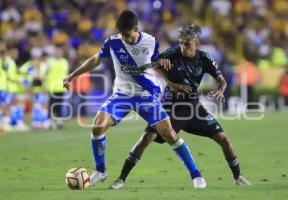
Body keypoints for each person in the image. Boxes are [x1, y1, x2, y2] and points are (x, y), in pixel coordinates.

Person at [63, 10, 206, 189]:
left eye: (128, 34)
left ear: (136, 29)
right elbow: (95, 60)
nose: (126, 38)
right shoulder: (113, 42)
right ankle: (100, 171)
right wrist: (72, 75)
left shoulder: (151, 41)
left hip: (146, 94)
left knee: (169, 133)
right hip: (122, 94)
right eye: (122, 34)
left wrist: (162, 64)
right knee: (98, 125)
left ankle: (196, 174)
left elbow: (155, 62)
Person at [109, 24, 251, 190]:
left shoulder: (205, 58)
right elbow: (154, 65)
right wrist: (171, 83)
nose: (183, 47)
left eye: (187, 44)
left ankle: (238, 176)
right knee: (145, 139)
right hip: (170, 106)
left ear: (196, 43)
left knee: (224, 139)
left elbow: (222, 80)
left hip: (193, 108)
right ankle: (121, 179)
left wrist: (220, 90)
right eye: (181, 43)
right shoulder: (171, 54)